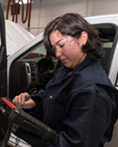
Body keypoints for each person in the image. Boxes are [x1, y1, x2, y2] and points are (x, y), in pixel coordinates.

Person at [12, 13, 118, 147]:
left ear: (83, 38)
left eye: (61, 45)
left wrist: (23, 130)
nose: (57, 54)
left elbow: (72, 144)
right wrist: (35, 101)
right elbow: (51, 92)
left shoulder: (92, 91)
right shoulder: (68, 68)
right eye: (54, 48)